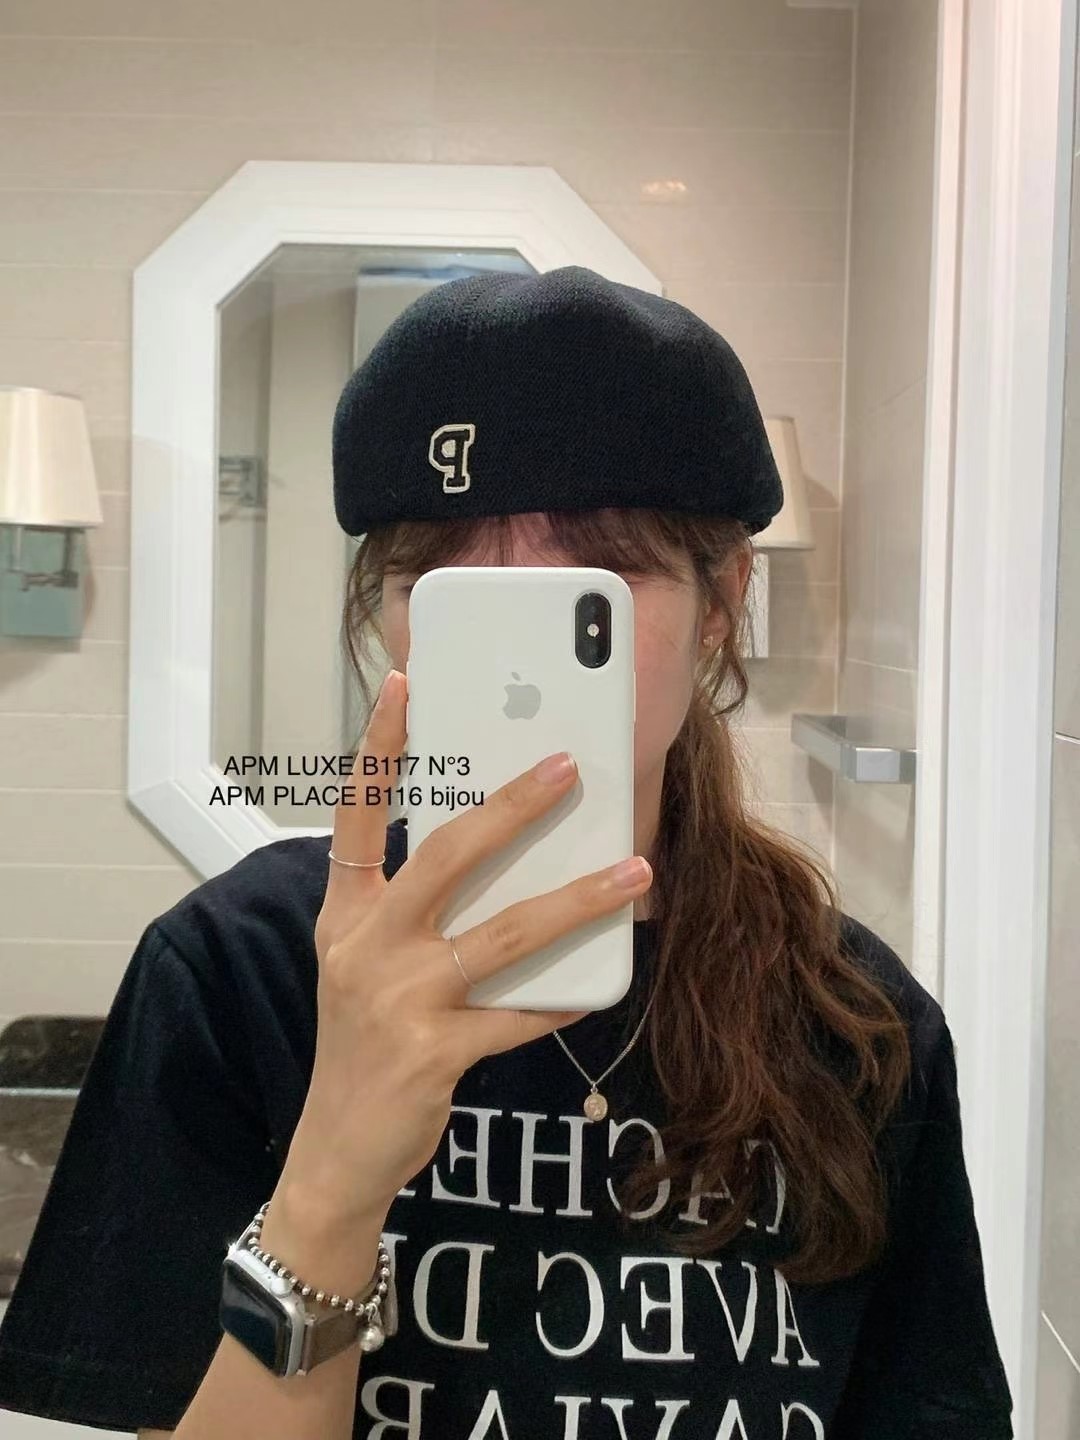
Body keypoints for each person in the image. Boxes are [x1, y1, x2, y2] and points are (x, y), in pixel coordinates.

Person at [0, 267, 1013, 1439]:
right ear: (386, 613)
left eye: (594, 582)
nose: (519, 656)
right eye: (442, 580)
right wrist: (329, 1185)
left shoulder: (856, 1023)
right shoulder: (238, 970)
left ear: (721, 602)